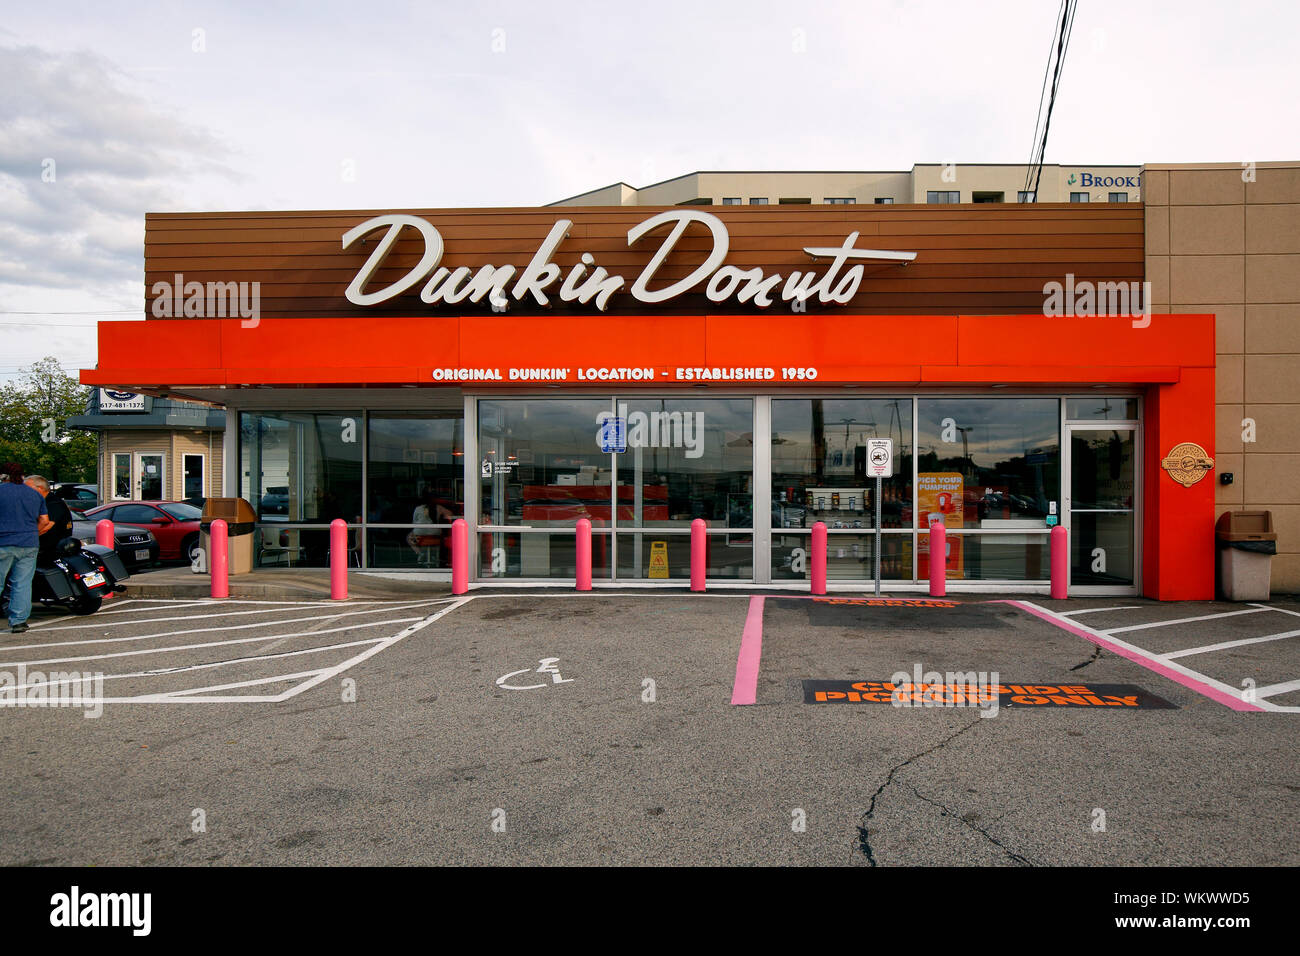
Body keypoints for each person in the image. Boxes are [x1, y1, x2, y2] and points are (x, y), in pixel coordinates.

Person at [0, 463, 52, 634]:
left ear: (4, 475)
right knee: (22, 583)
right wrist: (31, 533)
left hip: (4, 542)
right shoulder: (34, 495)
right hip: (29, 543)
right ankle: (19, 621)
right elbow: (44, 520)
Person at [25, 475, 74, 565]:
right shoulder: (42, 502)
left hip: (50, 552)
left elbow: (46, 525)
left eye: (26, 488)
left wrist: (25, 538)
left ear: (40, 488)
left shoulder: (53, 502)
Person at [407, 489, 453, 567]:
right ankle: (435, 557)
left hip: (420, 533)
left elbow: (414, 522)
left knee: (408, 538)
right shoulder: (438, 507)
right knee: (441, 537)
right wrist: (443, 517)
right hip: (435, 533)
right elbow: (450, 514)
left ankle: (420, 553)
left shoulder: (418, 508)